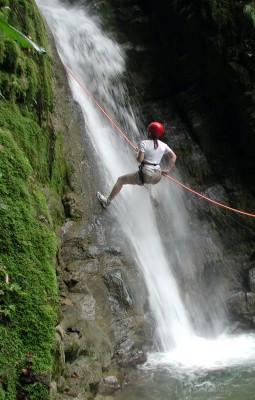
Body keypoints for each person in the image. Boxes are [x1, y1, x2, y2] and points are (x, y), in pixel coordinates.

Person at [97, 121, 177, 208]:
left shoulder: (143, 143)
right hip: (158, 176)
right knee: (147, 184)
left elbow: (139, 160)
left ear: (149, 132)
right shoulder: (164, 145)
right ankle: (151, 198)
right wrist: (168, 170)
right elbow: (173, 157)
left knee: (121, 180)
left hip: (147, 174)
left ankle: (107, 201)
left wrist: (138, 152)